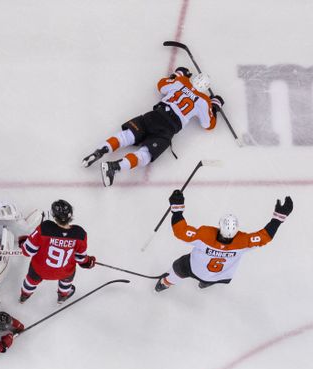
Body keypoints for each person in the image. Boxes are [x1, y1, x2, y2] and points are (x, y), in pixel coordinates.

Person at [81, 67, 224, 186]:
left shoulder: (182, 81)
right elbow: (208, 125)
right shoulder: (204, 101)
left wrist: (177, 75)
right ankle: (114, 167)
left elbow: (161, 86)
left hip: (154, 116)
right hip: (168, 128)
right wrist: (215, 106)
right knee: (145, 155)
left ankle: (99, 152)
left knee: (126, 136)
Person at [154, 190, 293, 292]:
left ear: (219, 226)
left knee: (180, 267)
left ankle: (164, 283)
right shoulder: (242, 242)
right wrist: (278, 218)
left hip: (194, 269)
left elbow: (181, 232)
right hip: (219, 276)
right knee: (211, 277)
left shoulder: (205, 235)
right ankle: (205, 283)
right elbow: (264, 237)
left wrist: (177, 210)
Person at [19, 200, 96, 304]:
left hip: (40, 270)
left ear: (54, 216)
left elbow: (27, 251)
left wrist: (24, 242)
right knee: (67, 279)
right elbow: (81, 258)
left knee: (31, 281)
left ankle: (24, 295)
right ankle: (62, 296)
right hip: (64, 272)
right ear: (70, 215)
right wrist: (88, 261)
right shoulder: (80, 234)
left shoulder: (45, 228)